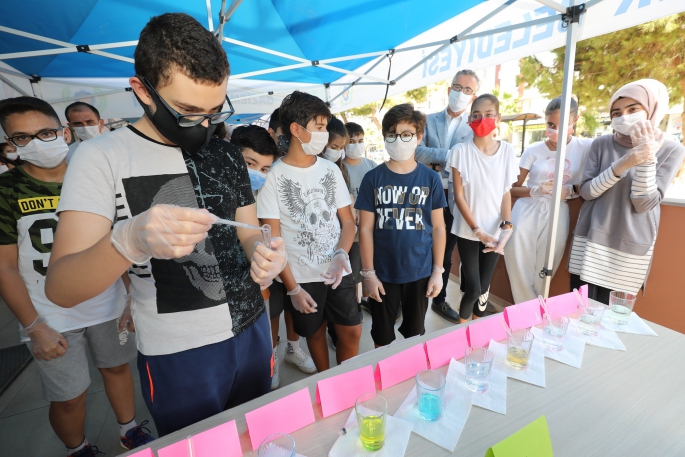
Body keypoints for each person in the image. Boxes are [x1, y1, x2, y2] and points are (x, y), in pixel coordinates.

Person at [44, 13, 287, 437]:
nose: (205, 125)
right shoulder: (102, 157)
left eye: (215, 111)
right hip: (180, 350)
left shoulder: (228, 154)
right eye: (188, 112)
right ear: (143, 91)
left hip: (252, 327)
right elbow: (62, 287)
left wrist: (265, 252)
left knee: (256, 436)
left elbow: (247, 231)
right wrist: (128, 240)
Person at [0, 96, 153, 457]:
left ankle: (128, 430)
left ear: (64, 133)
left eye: (46, 132)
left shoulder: (94, 176)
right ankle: (77, 447)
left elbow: (122, 241)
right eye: (22, 137)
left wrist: (130, 297)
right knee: (69, 396)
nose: (37, 142)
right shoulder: (7, 191)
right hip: (49, 315)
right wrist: (35, 327)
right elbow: (4, 266)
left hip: (108, 302)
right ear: (10, 144)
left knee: (117, 369)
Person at [258, 91, 362, 372]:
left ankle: (347, 381)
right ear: (296, 129)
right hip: (302, 277)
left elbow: (348, 221)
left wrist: (342, 253)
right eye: (319, 128)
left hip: (338, 271)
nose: (325, 135)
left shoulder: (330, 170)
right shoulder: (275, 177)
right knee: (315, 332)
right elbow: (273, 240)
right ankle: (327, 379)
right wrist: (292, 289)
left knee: (351, 331)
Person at [569, 79, 685, 302]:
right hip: (591, 239)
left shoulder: (672, 149)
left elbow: (643, 203)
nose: (624, 117)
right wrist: (623, 164)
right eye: (616, 113)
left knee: (612, 316)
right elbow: (587, 192)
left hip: (630, 246)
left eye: (633, 109)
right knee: (578, 309)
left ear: (651, 109)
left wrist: (645, 158)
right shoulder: (601, 144)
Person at [230, 125, 316, 390]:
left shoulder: (263, 191)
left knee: (268, 318)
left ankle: (274, 359)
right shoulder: (220, 194)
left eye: (265, 169)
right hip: (230, 285)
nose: (256, 173)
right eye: (249, 163)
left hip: (264, 275)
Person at [356, 103, 447, 347]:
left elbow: (438, 228)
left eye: (406, 134)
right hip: (382, 272)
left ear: (418, 137)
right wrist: (368, 274)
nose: (399, 140)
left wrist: (438, 271)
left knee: (414, 334)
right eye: (392, 134)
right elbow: (364, 228)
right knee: (382, 335)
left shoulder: (431, 179)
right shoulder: (372, 178)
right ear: (384, 137)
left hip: (419, 271)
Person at [505, 97, 592, 303]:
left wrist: (570, 190)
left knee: (547, 267)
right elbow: (512, 189)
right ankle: (528, 315)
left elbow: (595, 179)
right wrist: (536, 190)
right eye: (550, 125)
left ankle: (535, 311)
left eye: (561, 125)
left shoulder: (586, 147)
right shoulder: (533, 150)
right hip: (526, 211)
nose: (555, 130)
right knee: (519, 264)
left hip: (557, 212)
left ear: (576, 120)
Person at [415, 69, 479, 323]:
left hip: (455, 196)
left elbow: (471, 159)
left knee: (445, 251)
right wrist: (452, 156)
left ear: (473, 96)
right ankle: (414, 298)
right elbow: (418, 152)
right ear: (448, 88)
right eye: (457, 86)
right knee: (419, 245)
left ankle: (438, 301)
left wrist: (439, 159)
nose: (461, 92)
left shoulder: (474, 128)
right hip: (426, 193)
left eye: (467, 89)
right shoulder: (428, 120)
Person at [450, 94, 519, 323]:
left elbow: (505, 192)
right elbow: (459, 196)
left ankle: (478, 334)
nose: (482, 119)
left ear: (498, 118)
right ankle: (461, 334)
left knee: (483, 288)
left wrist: (506, 225)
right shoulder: (460, 151)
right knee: (472, 288)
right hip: (468, 231)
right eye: (477, 115)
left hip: (496, 232)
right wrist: (477, 229)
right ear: (469, 119)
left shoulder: (508, 151)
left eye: (488, 115)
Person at [342, 122, 377, 313]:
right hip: (352, 231)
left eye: (360, 140)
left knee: (368, 265)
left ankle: (366, 298)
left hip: (370, 229)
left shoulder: (371, 166)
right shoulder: (340, 168)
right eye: (352, 141)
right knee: (354, 269)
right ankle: (354, 303)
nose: (356, 145)